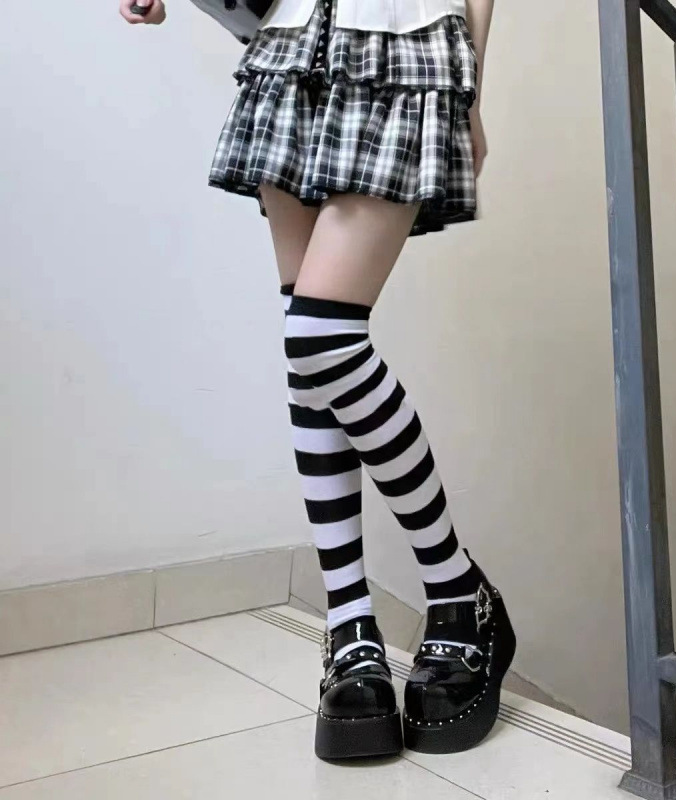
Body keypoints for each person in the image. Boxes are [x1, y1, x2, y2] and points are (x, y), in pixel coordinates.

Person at [120, 0, 515, 759]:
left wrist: (470, 90)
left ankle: (456, 591)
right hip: (291, 47)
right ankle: (350, 624)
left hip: (403, 48)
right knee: (309, 356)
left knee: (321, 339)